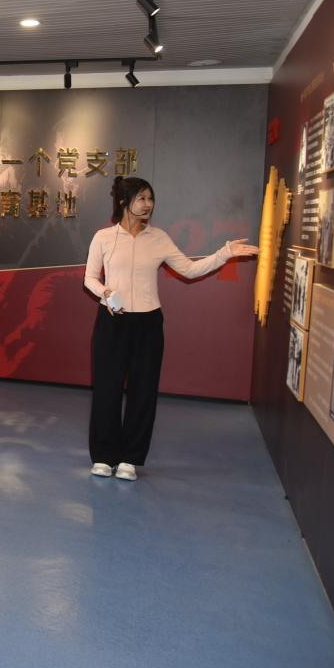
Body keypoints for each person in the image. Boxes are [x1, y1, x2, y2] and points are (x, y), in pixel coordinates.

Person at [83, 176, 258, 481]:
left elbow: (189, 269)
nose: (148, 205)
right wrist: (105, 293)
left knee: (143, 391)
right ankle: (103, 456)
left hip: (148, 323)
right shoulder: (103, 237)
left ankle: (129, 459)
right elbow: (89, 278)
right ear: (124, 201)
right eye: (141, 198)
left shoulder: (159, 238)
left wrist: (225, 253)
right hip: (112, 321)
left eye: (150, 199)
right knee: (107, 390)